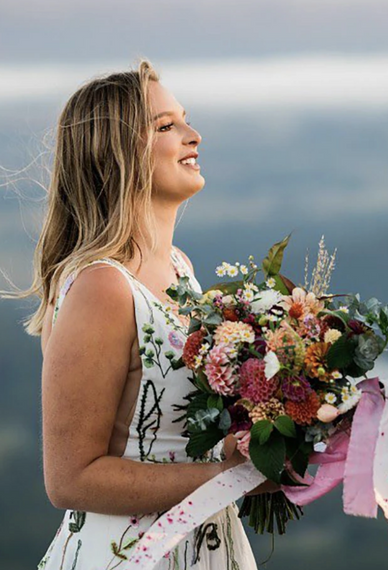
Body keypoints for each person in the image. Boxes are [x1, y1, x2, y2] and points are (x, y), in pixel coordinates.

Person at [7, 60, 271, 569]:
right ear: (116, 154)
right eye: (166, 126)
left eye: (185, 120)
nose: (194, 136)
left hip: (207, 546)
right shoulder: (102, 286)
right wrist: (232, 478)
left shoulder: (180, 268)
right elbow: (70, 479)